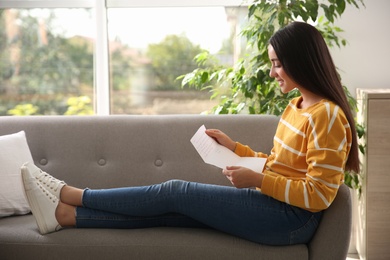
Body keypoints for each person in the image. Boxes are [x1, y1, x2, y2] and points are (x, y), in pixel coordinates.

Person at [21, 21, 359, 246]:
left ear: (301, 60)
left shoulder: (327, 116)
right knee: (175, 211)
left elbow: (319, 195)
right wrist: (236, 149)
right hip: (275, 206)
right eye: (272, 64)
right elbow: (282, 166)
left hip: (291, 220)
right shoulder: (296, 107)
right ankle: (67, 215)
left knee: (174, 191)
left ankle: (73, 194)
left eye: (278, 64)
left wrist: (256, 181)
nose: (273, 72)